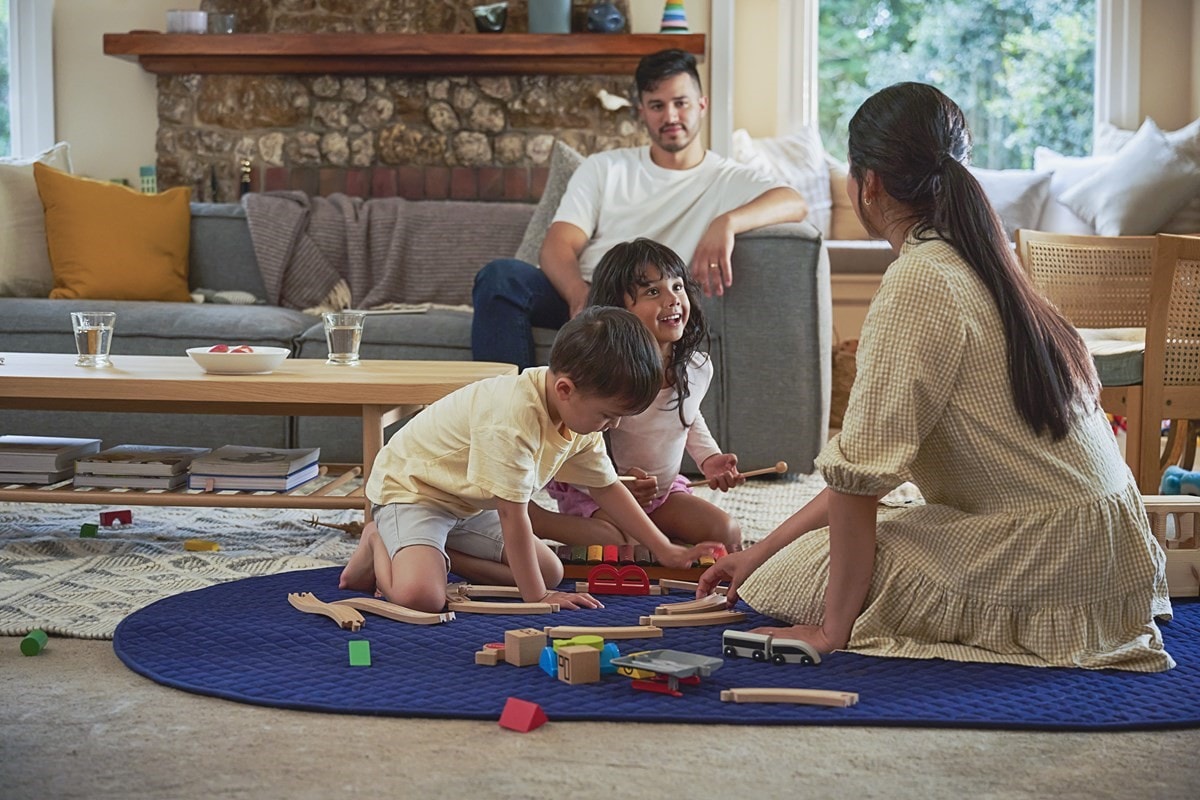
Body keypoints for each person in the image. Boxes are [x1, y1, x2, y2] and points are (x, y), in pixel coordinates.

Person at [698, 82, 1174, 672]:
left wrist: (831, 628)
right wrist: (761, 547)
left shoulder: (918, 281)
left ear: (867, 183)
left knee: (789, 577)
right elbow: (860, 471)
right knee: (821, 544)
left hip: (1048, 557)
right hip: (1108, 544)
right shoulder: (988, 257)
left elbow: (858, 481)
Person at [339, 305, 720, 614]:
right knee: (422, 599)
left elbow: (607, 488)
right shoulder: (512, 419)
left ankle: (438, 553)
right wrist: (535, 598)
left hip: (467, 504)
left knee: (551, 571)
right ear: (565, 390)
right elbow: (513, 515)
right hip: (413, 493)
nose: (613, 425)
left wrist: (666, 549)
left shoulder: (577, 416)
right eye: (608, 415)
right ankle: (378, 541)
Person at [471, 48, 808, 370]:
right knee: (500, 278)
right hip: (587, 292)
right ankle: (509, 414)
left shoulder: (727, 179)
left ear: (702, 105)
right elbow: (557, 245)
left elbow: (794, 201)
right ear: (642, 111)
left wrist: (728, 221)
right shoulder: (603, 167)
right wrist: (579, 295)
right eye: (657, 105)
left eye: (681, 103)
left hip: (647, 305)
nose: (670, 116)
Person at [532, 239, 743, 553]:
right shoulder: (605, 376)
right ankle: (537, 519)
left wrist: (709, 459)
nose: (672, 299)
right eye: (653, 292)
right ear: (617, 309)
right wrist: (619, 481)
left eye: (678, 287)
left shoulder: (697, 368)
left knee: (726, 532)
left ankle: (653, 537)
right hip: (599, 491)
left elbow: (686, 414)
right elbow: (572, 447)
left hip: (662, 494)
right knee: (621, 545)